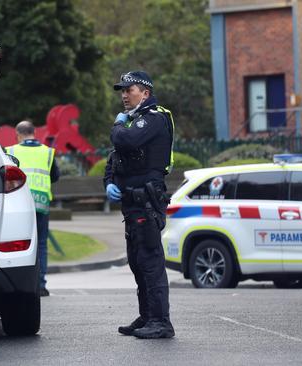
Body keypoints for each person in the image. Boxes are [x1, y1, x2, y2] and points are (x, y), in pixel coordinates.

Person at [104, 71, 176, 339]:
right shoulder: (134, 120)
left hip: (146, 201)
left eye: (129, 90)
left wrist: (117, 125)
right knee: (136, 261)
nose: (123, 95)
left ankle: (161, 321)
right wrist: (108, 182)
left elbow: (125, 140)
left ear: (145, 93)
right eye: (121, 90)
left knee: (150, 261)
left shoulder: (153, 118)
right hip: (131, 203)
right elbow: (115, 158)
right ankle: (147, 316)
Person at [6, 121, 60, 297]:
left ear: (18, 134)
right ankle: (41, 285)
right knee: (41, 244)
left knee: (16, 244)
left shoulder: (11, 151)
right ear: (34, 132)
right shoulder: (47, 152)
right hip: (42, 203)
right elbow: (55, 176)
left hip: (19, 204)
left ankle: (19, 285)